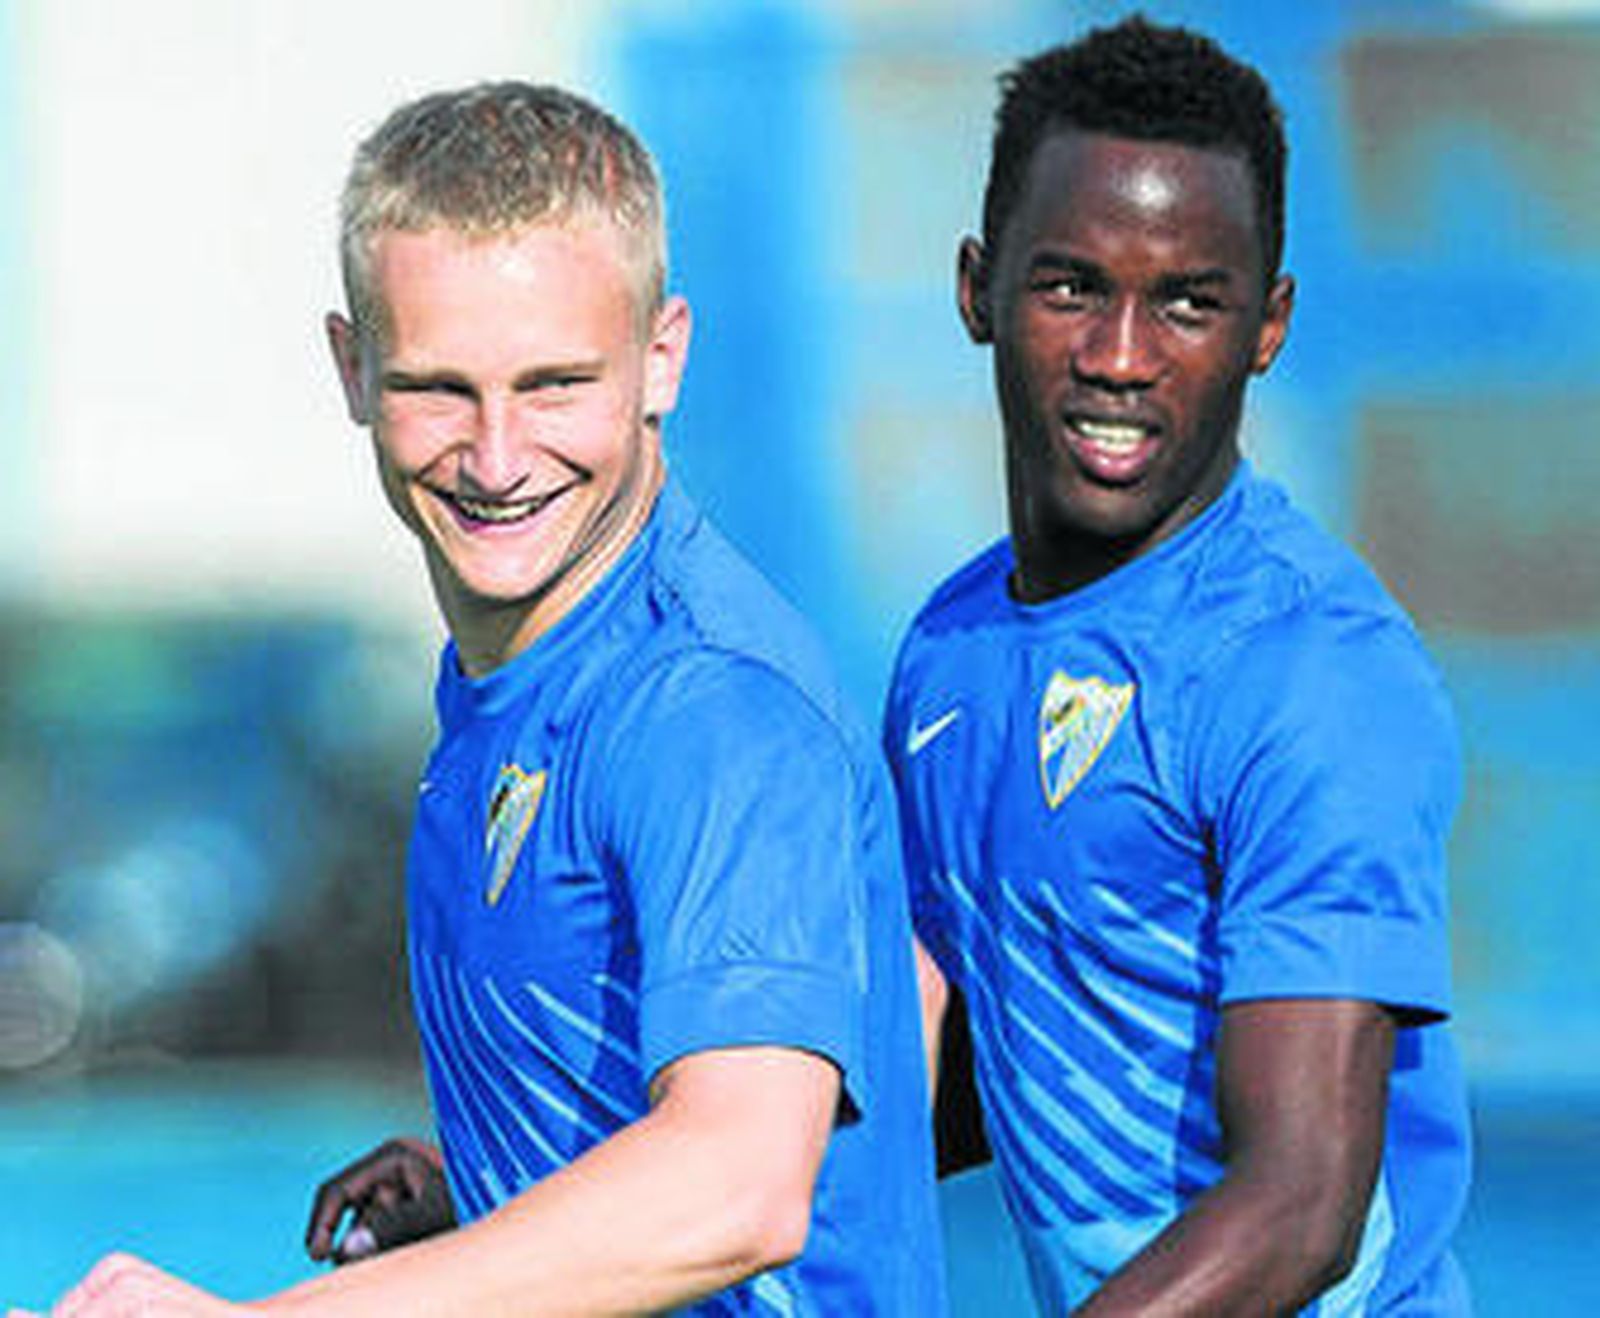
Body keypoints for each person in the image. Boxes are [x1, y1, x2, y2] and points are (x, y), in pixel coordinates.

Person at [37, 81, 944, 1316]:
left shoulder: (708, 710)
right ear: (354, 369)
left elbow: (741, 1180)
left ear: (661, 357)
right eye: (439, 388)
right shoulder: (515, 670)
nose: (499, 458)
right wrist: (499, 1187)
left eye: (556, 384)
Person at [885, 16, 1471, 1316]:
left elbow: (1303, 1204)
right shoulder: (948, 653)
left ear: (1267, 325)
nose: (1121, 355)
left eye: (1189, 302)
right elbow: (952, 1067)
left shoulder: (1315, 673)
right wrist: (540, 1192)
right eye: (1071, 285)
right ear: (978, 285)